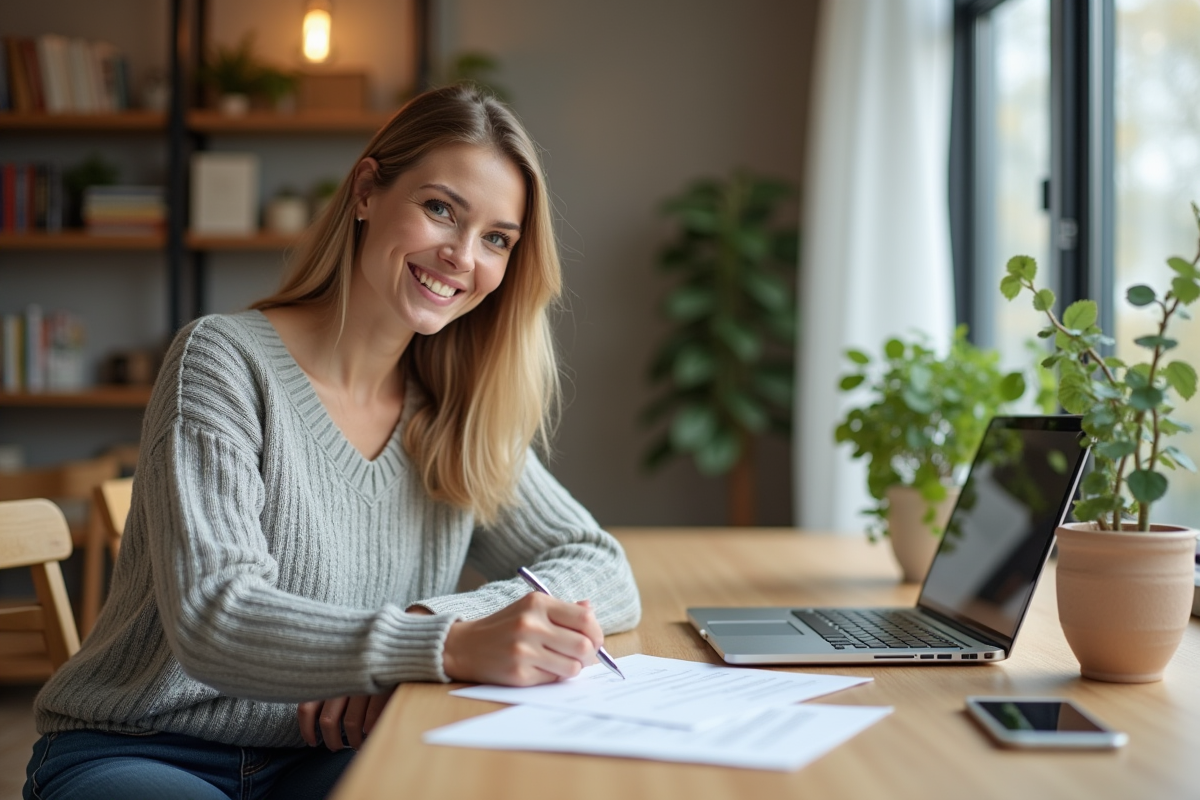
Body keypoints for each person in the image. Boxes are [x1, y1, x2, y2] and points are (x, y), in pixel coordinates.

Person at [24, 84, 642, 800]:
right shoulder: (222, 359)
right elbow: (214, 616)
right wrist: (436, 649)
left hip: (325, 757)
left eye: (497, 239)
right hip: (149, 751)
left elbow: (602, 567)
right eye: (441, 209)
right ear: (367, 192)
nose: (461, 257)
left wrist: (428, 623)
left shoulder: (455, 413)